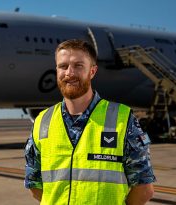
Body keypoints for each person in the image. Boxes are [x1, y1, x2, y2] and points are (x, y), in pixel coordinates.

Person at [24, 39, 156, 205]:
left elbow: (144, 189)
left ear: (92, 71)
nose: (69, 73)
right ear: (56, 70)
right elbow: (34, 184)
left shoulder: (122, 118)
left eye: (78, 66)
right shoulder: (42, 122)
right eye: (63, 66)